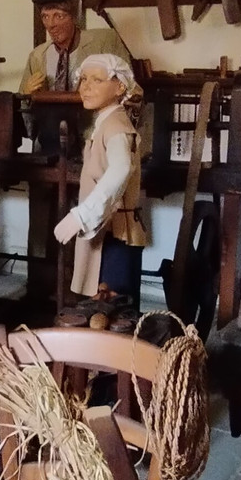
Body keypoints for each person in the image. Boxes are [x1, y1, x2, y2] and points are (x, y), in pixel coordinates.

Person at [53, 54, 147, 307]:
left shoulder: (116, 127)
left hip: (115, 236)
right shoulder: (105, 123)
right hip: (105, 232)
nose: (85, 87)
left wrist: (81, 216)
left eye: (96, 80)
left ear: (120, 87)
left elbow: (121, 169)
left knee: (113, 310)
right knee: (101, 308)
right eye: (83, 79)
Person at [20, 0, 130, 96]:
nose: (51, 24)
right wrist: (26, 94)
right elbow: (20, 104)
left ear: (73, 16)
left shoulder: (104, 43)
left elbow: (132, 94)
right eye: (45, 17)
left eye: (59, 16)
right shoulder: (37, 57)